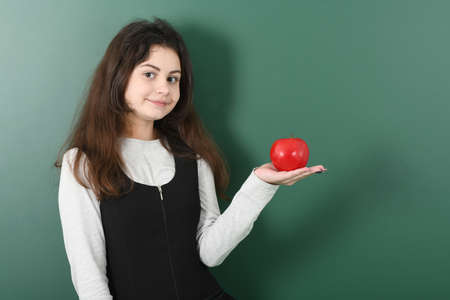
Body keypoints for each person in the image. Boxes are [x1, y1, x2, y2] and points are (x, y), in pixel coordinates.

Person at [54, 17, 326, 300]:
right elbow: (88, 277)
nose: (164, 88)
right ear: (118, 76)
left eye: (173, 78)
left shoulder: (193, 157)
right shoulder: (83, 163)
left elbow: (210, 253)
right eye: (150, 74)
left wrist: (261, 184)